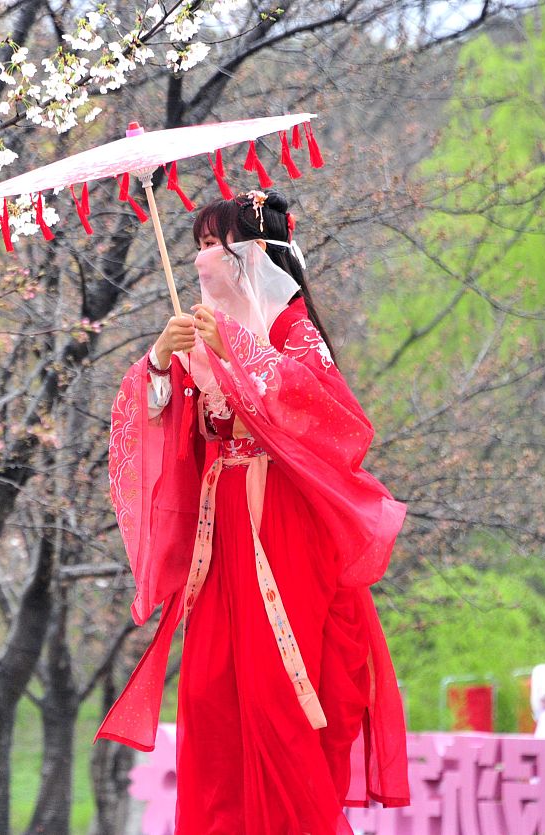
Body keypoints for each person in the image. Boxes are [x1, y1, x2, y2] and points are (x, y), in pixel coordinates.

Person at [96, 190, 410, 834]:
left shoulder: (293, 327)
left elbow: (330, 416)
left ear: (254, 252)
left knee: (277, 694)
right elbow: (165, 420)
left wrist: (236, 348)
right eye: (198, 245)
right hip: (221, 527)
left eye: (213, 245)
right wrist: (161, 360)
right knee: (211, 693)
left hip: (282, 524)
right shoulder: (201, 327)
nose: (200, 259)